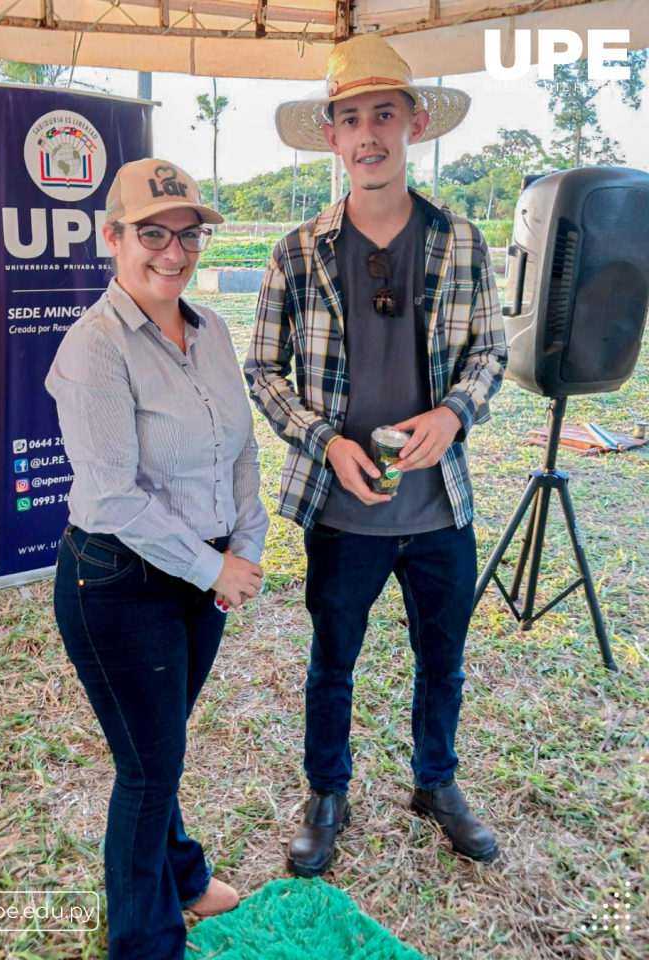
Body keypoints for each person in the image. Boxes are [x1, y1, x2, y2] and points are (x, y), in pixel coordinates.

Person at [245, 34, 507, 875]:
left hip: (440, 510)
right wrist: (324, 443)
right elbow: (262, 368)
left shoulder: (461, 240)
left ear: (414, 123)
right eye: (350, 117)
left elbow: (491, 352)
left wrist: (457, 414)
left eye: (383, 114)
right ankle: (329, 791)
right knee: (333, 662)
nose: (368, 134)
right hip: (343, 513)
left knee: (446, 659)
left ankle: (436, 781)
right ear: (331, 136)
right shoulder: (295, 252)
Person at [46, 158, 269, 960]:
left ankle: (178, 874)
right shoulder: (93, 349)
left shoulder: (209, 327)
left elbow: (238, 447)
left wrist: (245, 542)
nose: (174, 252)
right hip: (119, 584)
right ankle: (145, 942)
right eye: (152, 234)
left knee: (158, 742)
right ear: (113, 237)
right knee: (148, 768)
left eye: (188, 234)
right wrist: (213, 569)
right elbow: (109, 499)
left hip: (201, 577)